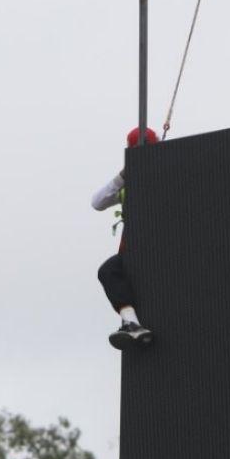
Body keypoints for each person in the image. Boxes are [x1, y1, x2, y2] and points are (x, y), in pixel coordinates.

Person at [94, 127, 156, 350]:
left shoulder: (166, 172)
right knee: (109, 271)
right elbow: (97, 202)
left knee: (111, 270)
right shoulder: (127, 184)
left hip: (156, 241)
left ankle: (132, 323)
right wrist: (122, 176)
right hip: (133, 246)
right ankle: (131, 323)